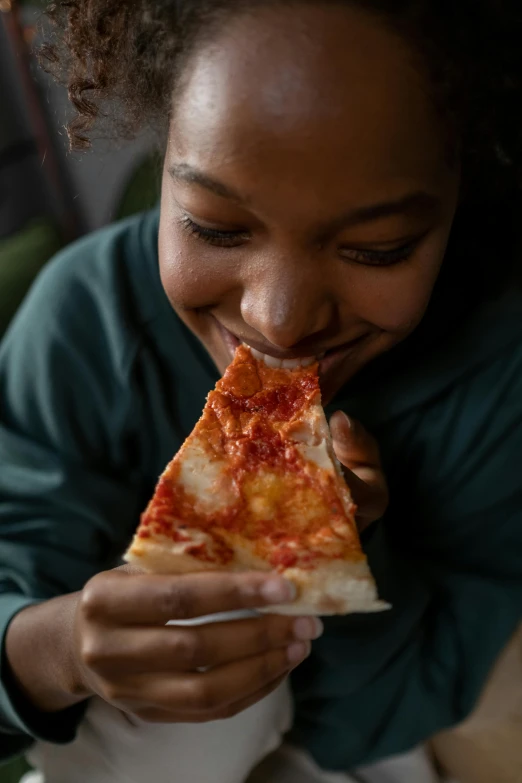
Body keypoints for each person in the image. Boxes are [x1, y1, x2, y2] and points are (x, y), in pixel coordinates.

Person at [0, 1, 521, 781]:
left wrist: (339, 556)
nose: (278, 319)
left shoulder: (499, 369)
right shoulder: (83, 324)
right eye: (215, 228)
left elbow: (375, 725)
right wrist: (55, 647)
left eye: (377, 249)